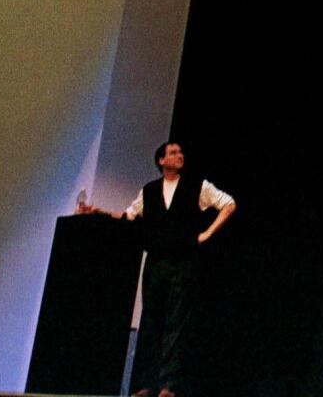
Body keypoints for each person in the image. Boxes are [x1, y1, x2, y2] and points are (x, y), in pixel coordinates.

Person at [79, 141, 235, 397]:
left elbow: (228, 203)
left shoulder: (198, 185)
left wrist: (206, 234)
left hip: (183, 261)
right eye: (173, 152)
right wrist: (98, 211)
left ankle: (168, 385)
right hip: (155, 262)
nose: (180, 155)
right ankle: (146, 383)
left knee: (175, 322)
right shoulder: (149, 191)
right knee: (151, 320)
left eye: (181, 152)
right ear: (161, 161)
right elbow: (129, 215)